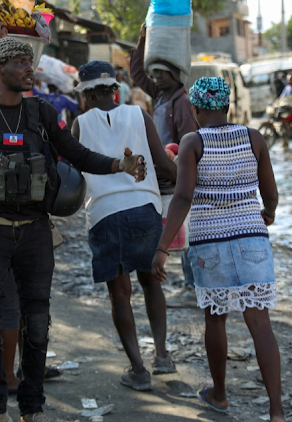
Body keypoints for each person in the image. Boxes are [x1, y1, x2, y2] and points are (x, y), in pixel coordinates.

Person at [0, 36, 147, 422]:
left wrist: (120, 165)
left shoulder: (42, 113)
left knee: (37, 323)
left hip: (34, 231)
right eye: (19, 61)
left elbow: (75, 153)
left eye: (29, 61)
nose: (28, 68)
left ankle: (32, 408)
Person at [151, 77, 285, 422]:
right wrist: (267, 214)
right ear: (227, 106)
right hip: (251, 236)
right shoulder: (254, 137)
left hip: (210, 241)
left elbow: (182, 197)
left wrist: (162, 248)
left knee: (216, 318)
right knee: (260, 322)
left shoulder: (191, 142)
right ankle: (276, 411)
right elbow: (270, 193)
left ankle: (220, 396)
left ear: (195, 110)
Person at [72, 61, 178, 391]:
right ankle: (161, 355)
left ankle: (138, 370)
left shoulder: (79, 124)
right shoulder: (138, 115)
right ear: (115, 90)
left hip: (104, 215)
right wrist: (191, 187)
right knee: (152, 283)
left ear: (85, 95)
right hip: (144, 209)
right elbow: (162, 161)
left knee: (120, 294)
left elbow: (74, 175)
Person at [130, 24, 199, 298]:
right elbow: (137, 74)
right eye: (155, 73)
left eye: (162, 73)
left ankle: (193, 283)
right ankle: (184, 280)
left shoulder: (180, 102)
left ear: (175, 74)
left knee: (184, 225)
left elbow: (189, 139)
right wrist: (142, 40)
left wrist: (181, 168)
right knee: (173, 225)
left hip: (175, 170)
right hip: (162, 171)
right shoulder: (161, 95)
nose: (156, 77)